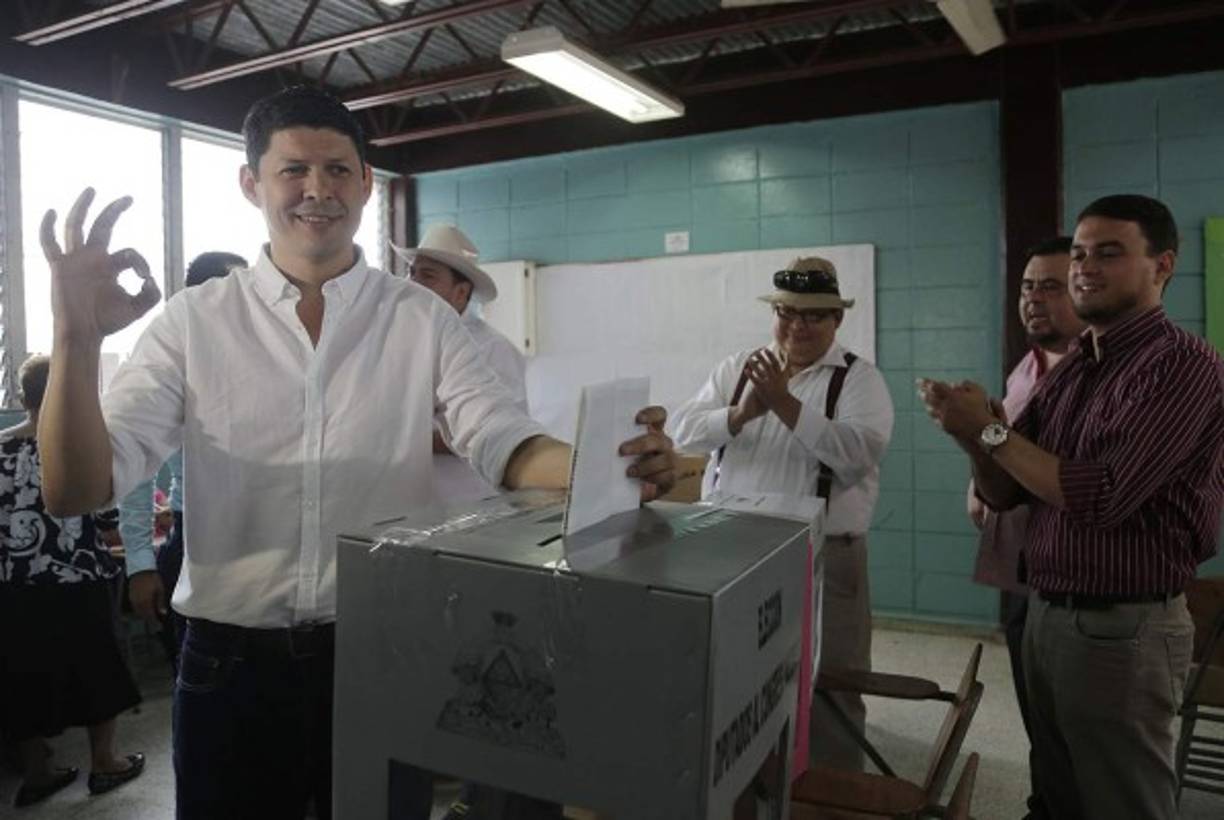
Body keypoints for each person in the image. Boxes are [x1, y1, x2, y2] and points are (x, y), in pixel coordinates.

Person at [36, 85, 675, 820]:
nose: (318, 189)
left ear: (367, 183)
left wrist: (606, 465)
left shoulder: (419, 318)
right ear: (251, 184)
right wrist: (75, 337)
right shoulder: (193, 323)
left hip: (381, 654)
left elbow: (499, 436)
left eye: (338, 169)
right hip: (230, 668)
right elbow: (77, 488)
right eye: (293, 170)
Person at [921, 194, 1224, 820]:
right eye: (1081, 254)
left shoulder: (1183, 365)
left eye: (1109, 253)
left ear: (1163, 265)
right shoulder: (1075, 365)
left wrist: (992, 433)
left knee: (1122, 801)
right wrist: (971, 434)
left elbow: (1102, 494)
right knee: (1057, 796)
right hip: (1049, 611)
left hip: (1122, 626)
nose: (1085, 267)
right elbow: (1006, 493)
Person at [670, 257, 894, 770]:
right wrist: (742, 412)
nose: (798, 326)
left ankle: (832, 793)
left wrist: (783, 404)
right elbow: (684, 431)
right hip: (734, 553)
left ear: (837, 318)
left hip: (824, 556)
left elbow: (855, 455)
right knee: (741, 679)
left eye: (813, 315)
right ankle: (754, 782)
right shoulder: (737, 368)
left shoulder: (859, 380)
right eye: (786, 312)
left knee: (832, 682)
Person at [964, 236, 1084, 819]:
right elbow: (1006, 447)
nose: (1034, 299)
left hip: (1072, 575)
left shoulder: (1094, 373)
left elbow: (1070, 478)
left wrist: (980, 435)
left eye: (1051, 287)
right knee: (1040, 719)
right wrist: (978, 473)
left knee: (1081, 734)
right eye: (1027, 287)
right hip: (1020, 567)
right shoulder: (1028, 366)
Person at [0, 355, 145, 807]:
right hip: (80, 577)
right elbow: (107, 522)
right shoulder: (81, 447)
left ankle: (38, 772)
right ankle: (104, 762)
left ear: (22, 397)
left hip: (14, 586)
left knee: (22, 676)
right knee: (99, 669)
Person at [121, 251, 248, 668]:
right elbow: (139, 471)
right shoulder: (174, 363)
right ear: (200, 298)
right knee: (198, 670)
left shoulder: (270, 360)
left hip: (264, 536)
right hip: (195, 538)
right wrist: (140, 564)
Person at [391, 224, 529, 505]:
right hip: (415, 504)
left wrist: (398, 435)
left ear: (461, 292)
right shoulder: (402, 340)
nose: (412, 284)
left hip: (469, 504)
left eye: (427, 276)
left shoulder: (494, 349)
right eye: (411, 272)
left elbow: (494, 432)